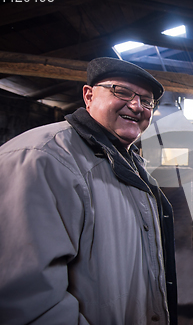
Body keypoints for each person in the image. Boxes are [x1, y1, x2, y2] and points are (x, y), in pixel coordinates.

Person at [0, 57, 177, 325]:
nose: (136, 106)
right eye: (122, 92)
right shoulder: (42, 159)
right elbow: (29, 306)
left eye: (146, 100)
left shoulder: (130, 163)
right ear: (88, 95)